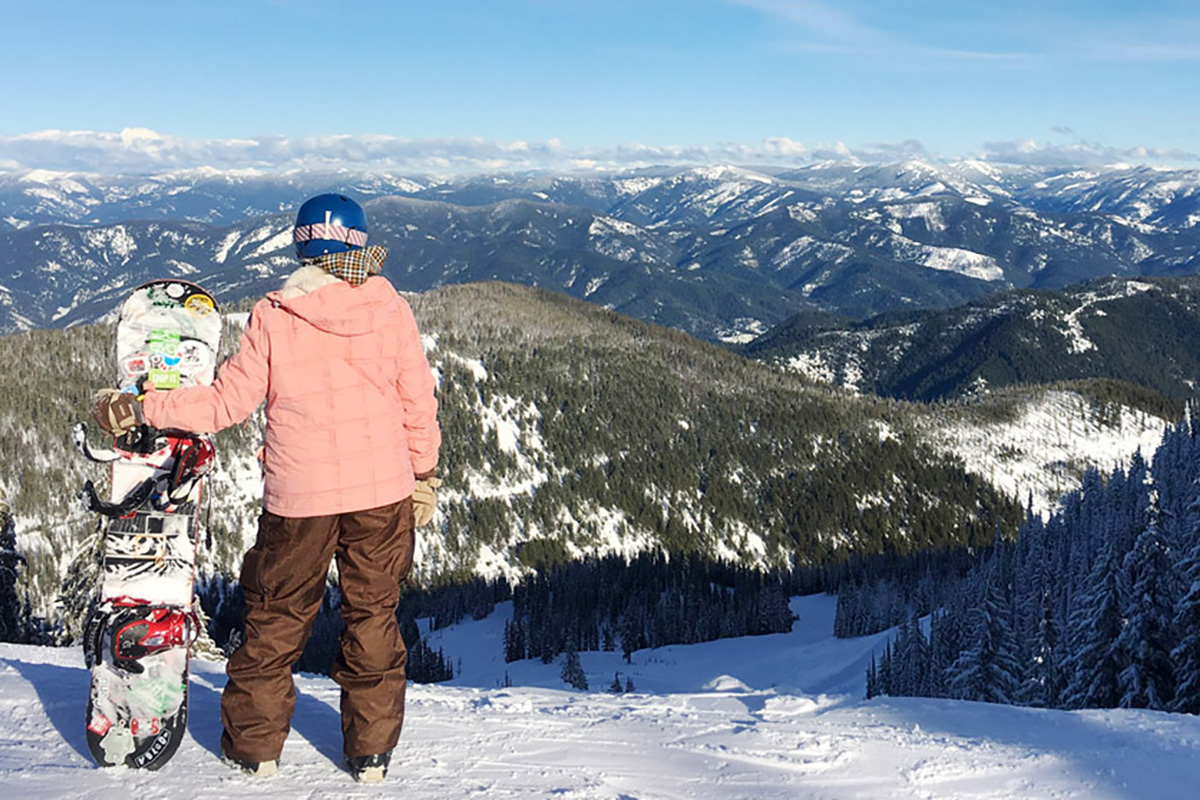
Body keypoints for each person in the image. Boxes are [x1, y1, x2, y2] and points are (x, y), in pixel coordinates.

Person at [93, 193, 441, 783]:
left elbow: (226, 402)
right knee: (374, 618)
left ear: (302, 244)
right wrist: (423, 474)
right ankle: (371, 755)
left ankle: (255, 751)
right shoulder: (391, 308)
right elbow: (417, 401)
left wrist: (144, 408)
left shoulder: (276, 316)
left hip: (299, 499)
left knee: (276, 618)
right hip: (383, 493)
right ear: (358, 242)